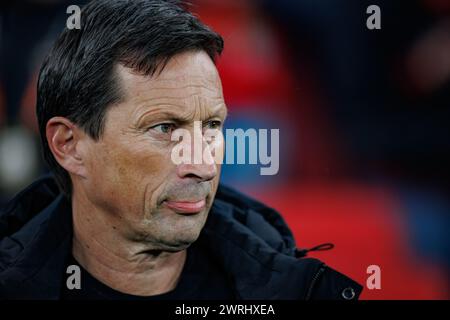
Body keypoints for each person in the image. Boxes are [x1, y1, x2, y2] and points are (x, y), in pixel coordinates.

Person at [0, 0, 362, 300]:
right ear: (69, 145)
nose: (202, 165)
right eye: (165, 128)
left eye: (212, 126)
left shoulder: (288, 287)